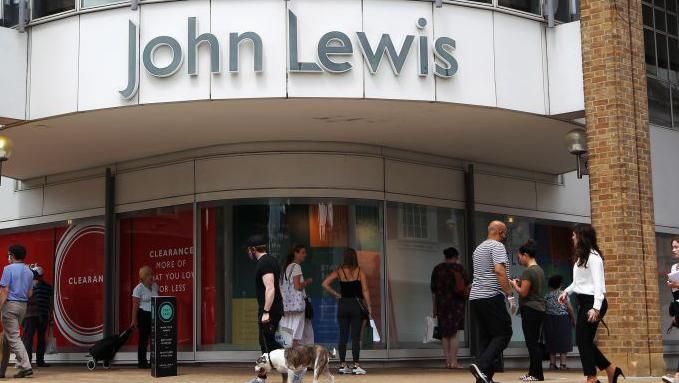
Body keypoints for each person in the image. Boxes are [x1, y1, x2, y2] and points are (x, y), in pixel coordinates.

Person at [558, 224, 624, 383]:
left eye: (574, 235)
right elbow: (578, 283)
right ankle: (610, 369)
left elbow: (599, 286)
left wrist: (596, 308)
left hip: (594, 302)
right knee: (584, 341)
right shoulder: (581, 258)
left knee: (582, 341)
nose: (572, 237)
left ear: (582, 237)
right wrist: (566, 291)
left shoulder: (594, 258)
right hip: (585, 302)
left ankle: (592, 378)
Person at [468, 221, 513, 383]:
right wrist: (510, 295)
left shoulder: (478, 249)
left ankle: (485, 377)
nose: (505, 236)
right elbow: (499, 271)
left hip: (475, 298)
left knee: (486, 337)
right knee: (504, 333)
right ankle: (482, 365)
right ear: (500, 232)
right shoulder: (497, 246)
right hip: (491, 296)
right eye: (505, 232)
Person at [322, 248, 372, 375]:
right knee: (355, 337)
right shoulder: (360, 271)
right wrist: (369, 307)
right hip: (356, 305)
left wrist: (337, 294)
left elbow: (325, 283)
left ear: (344, 258)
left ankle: (342, 365)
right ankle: (356, 366)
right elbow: (365, 290)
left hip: (343, 305)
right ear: (355, 257)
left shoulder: (339, 271)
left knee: (343, 336)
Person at [510, 239, 546, 382]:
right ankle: (532, 372)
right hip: (540, 309)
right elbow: (533, 289)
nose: (519, 259)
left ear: (525, 255)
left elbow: (523, 293)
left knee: (531, 343)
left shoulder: (528, 272)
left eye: (519, 256)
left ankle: (537, 374)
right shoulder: (540, 270)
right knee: (534, 342)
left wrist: (514, 285)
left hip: (530, 309)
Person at [430, 247, 469, 369]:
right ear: (456, 257)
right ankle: (454, 362)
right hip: (457, 304)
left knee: (444, 334)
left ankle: (447, 361)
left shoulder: (438, 269)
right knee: (454, 333)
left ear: (445, 257)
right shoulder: (460, 269)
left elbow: (434, 290)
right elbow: (467, 286)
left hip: (442, 305)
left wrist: (434, 308)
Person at [0, 244, 35, 379]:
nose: (8, 257)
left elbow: (4, 291)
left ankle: (26, 367)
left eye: (8, 255)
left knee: (13, 337)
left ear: (12, 255)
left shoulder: (8, 269)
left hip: (10, 305)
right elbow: (30, 293)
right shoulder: (29, 272)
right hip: (23, 306)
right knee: (8, 339)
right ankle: (2, 370)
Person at [279, 244, 314, 347]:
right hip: (297, 305)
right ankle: (297, 357)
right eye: (302, 252)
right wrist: (307, 281)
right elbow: (298, 286)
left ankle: (291, 355)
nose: (305, 255)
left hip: (287, 305)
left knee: (289, 331)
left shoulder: (285, 268)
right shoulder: (296, 267)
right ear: (296, 253)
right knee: (297, 332)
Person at [22, 266, 53, 368]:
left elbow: (50, 301)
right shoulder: (28, 285)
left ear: (41, 276)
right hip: (30, 315)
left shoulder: (47, 287)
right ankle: (28, 362)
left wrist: (50, 315)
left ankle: (40, 361)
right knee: (28, 339)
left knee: (41, 339)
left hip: (43, 315)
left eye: (38, 276)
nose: (36, 278)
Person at [543, 275, 574, 371]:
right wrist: (573, 318)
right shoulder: (563, 294)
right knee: (563, 341)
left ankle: (552, 364)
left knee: (551, 341)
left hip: (549, 319)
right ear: (561, 284)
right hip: (563, 319)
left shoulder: (546, 296)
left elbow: (544, 308)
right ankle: (563, 365)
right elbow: (569, 308)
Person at [130, 265, 158, 369]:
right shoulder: (138, 289)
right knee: (143, 340)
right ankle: (142, 362)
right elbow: (135, 305)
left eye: (152, 274)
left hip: (154, 315)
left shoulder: (155, 286)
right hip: (143, 315)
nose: (151, 277)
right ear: (143, 277)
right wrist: (134, 320)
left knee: (154, 339)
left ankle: (153, 361)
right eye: (148, 275)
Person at [663, 237, 679, 383]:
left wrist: (677, 284)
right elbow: (675, 293)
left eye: (676, 247)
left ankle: (678, 376)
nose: (673, 250)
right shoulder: (674, 268)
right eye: (672, 247)